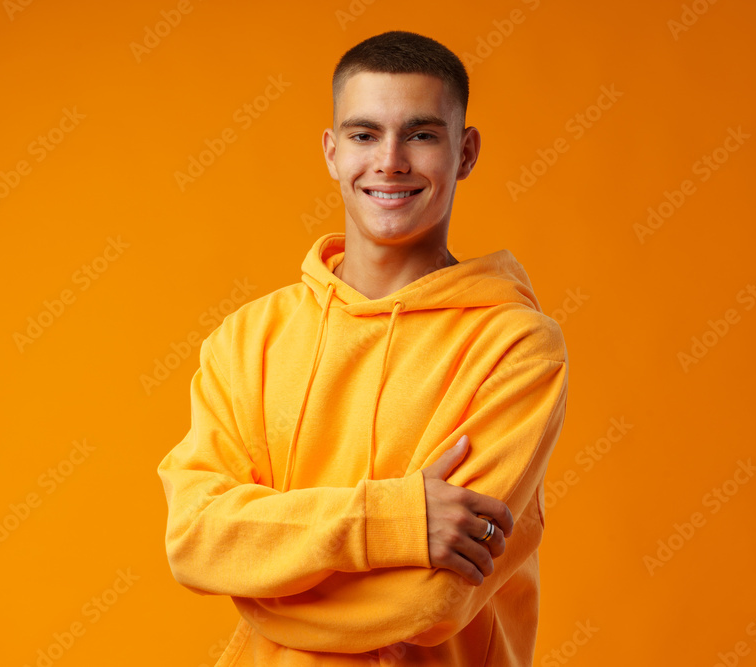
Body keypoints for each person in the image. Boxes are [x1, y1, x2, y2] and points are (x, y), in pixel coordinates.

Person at [158, 30, 569, 666]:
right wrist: (396, 522)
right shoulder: (247, 340)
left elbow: (430, 605)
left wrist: (267, 579)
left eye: (423, 135)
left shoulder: (515, 348)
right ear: (331, 151)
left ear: (466, 152)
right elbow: (195, 539)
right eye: (364, 134)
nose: (391, 161)